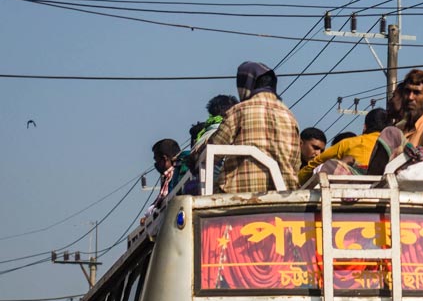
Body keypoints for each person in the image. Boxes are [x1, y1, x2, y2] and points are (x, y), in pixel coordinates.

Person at [208, 61, 301, 193]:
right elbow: (295, 163)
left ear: (246, 85)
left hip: (239, 193)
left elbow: (214, 149)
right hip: (285, 195)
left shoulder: (239, 110)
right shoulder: (290, 116)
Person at [368, 69, 423, 174]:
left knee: (391, 133)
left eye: (416, 93)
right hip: (393, 181)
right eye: (408, 91)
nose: (410, 97)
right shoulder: (401, 127)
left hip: (416, 184)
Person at [298, 107, 387, 185]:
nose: (317, 153)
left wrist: (300, 178)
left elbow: (316, 162)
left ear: (364, 127)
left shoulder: (348, 143)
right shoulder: (393, 145)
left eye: (320, 150)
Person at [141, 138, 188, 223]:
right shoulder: (167, 177)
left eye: (157, 160)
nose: (156, 164)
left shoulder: (174, 174)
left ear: (165, 158)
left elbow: (162, 203)